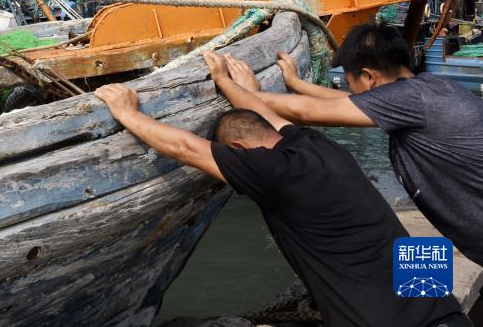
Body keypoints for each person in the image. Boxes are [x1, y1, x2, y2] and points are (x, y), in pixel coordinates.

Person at [96, 60, 466, 327]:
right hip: (443, 309)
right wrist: (228, 83)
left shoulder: (273, 171)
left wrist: (127, 113)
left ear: (239, 150)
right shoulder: (317, 146)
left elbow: (186, 148)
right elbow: (269, 117)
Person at [225, 22, 483, 267]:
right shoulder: (430, 88)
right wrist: (297, 84)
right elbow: (348, 102)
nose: (352, 91)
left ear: (369, 77)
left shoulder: (409, 98)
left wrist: (248, 93)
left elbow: (308, 112)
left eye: (352, 82)